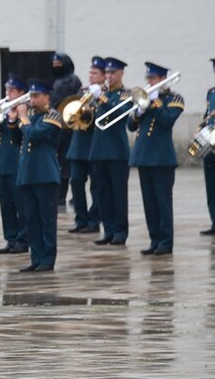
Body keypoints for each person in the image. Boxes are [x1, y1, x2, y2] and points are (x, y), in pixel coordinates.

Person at [128, 62, 183, 255]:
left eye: (152, 79)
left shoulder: (174, 99)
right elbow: (131, 126)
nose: (149, 82)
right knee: (149, 202)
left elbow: (167, 121)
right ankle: (155, 239)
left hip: (162, 158)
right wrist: (140, 110)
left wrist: (156, 103)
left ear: (162, 79)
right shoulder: (145, 98)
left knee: (162, 202)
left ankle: (166, 242)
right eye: (148, 78)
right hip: (143, 156)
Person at [16, 80, 62, 272]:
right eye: (31, 96)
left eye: (36, 96)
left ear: (46, 97)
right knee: (32, 219)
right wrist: (13, 121)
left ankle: (48, 258)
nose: (32, 100)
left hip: (45, 174)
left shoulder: (53, 116)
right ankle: (36, 257)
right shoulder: (31, 117)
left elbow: (34, 135)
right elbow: (16, 139)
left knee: (47, 220)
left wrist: (22, 118)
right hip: (28, 174)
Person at [89, 57, 131, 245]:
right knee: (102, 193)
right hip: (98, 150)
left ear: (121, 73)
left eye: (113, 73)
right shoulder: (102, 93)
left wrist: (102, 99)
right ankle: (108, 230)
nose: (109, 76)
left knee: (118, 193)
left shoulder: (125, 94)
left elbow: (119, 114)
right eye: (107, 73)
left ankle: (121, 231)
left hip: (116, 151)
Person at [0, 75, 28, 254]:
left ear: (21, 93)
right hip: (1, 162)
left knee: (20, 204)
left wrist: (15, 117)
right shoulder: (4, 109)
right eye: (7, 90)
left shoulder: (24, 110)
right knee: (6, 205)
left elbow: (24, 131)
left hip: (16, 162)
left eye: (11, 91)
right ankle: (11, 238)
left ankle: (23, 239)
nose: (8, 94)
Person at [67, 56, 105, 234]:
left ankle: (94, 219)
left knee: (96, 185)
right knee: (75, 182)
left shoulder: (104, 94)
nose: (91, 76)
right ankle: (80, 218)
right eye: (90, 72)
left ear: (103, 76)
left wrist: (99, 98)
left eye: (95, 73)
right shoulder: (84, 92)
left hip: (94, 145)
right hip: (78, 145)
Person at [50, 53, 82, 210]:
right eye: (54, 63)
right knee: (60, 162)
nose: (56, 66)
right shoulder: (57, 80)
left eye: (59, 63)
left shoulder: (72, 80)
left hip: (69, 124)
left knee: (66, 162)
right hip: (59, 123)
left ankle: (67, 196)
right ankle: (61, 196)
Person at [201, 59, 215, 235]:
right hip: (212, 140)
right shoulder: (212, 92)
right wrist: (199, 130)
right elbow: (207, 114)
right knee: (212, 183)